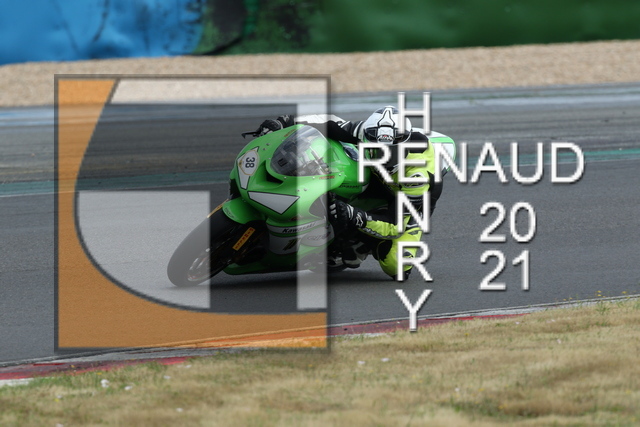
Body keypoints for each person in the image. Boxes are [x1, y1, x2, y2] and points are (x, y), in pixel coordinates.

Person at [255, 106, 443, 280]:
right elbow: (328, 122)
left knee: (396, 266)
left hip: (408, 199)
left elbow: (394, 226)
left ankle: (361, 245)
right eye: (376, 150)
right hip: (375, 178)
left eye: (390, 153)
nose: (383, 159)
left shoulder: (417, 176)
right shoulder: (365, 132)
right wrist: (284, 121)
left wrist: (353, 215)